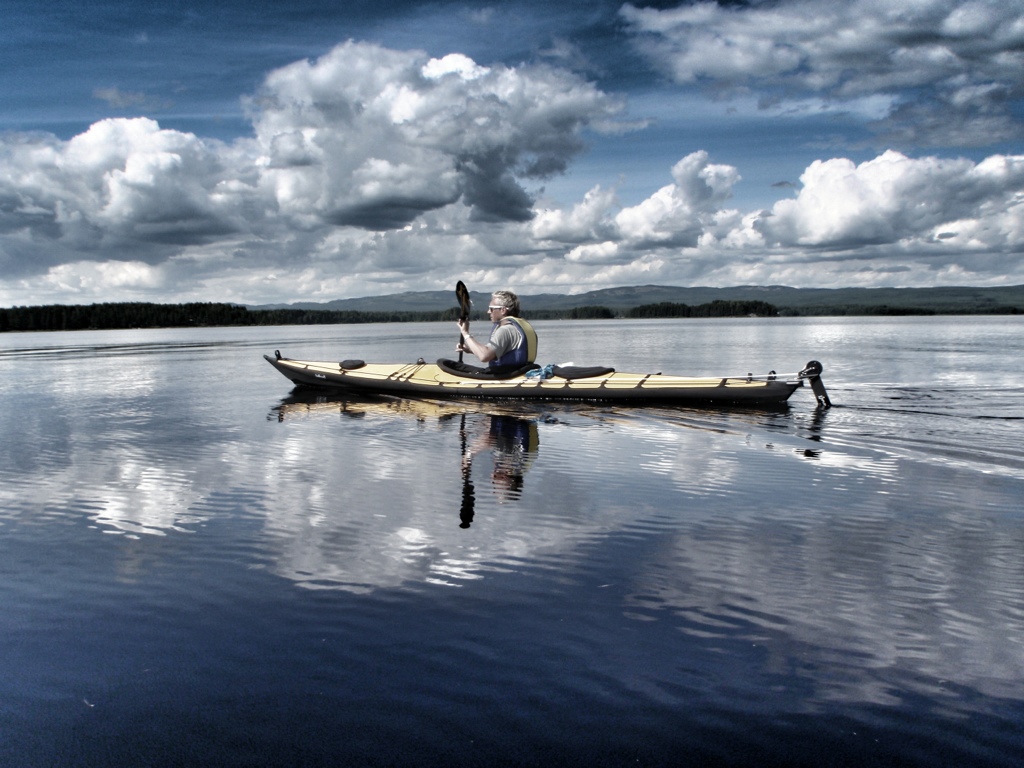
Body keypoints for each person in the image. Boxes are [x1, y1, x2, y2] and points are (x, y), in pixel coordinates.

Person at [456, 289, 538, 374]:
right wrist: (471, 349)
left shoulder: (505, 330)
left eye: (491, 309)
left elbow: (484, 356)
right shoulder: (522, 328)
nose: (488, 312)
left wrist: (465, 333)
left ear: (503, 310)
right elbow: (492, 352)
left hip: (506, 376)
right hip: (521, 374)